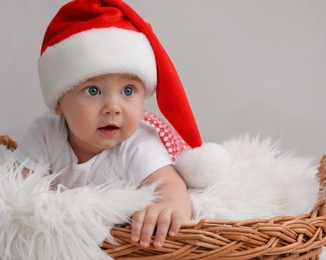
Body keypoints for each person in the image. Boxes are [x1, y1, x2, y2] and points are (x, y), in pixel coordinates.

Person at [14, 0, 203, 249]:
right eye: (93, 90)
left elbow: (170, 184)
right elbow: (18, 190)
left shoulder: (140, 142)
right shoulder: (46, 133)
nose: (113, 107)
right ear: (59, 102)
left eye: (128, 90)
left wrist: (168, 206)